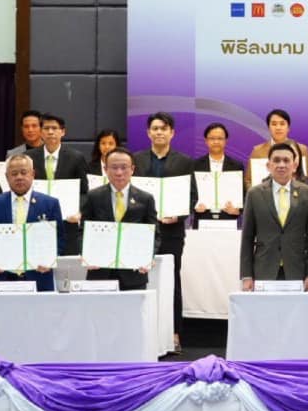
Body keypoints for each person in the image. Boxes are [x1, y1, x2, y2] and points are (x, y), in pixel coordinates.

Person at [133, 112, 194, 352]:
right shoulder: (137, 160)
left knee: (172, 280)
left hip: (172, 230)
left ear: (172, 133)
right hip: (142, 230)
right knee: (137, 277)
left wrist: (178, 215)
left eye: (164, 128)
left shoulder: (185, 162)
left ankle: (174, 334)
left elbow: (192, 196)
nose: (159, 132)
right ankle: (140, 331)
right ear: (148, 132)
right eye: (155, 128)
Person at [240, 141, 308, 290]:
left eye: (286, 160)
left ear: (294, 165)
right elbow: (247, 237)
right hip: (264, 269)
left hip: (297, 270)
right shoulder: (254, 194)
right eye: (276, 160)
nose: (281, 165)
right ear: (268, 166)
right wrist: (246, 276)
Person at [0, 154, 64, 292]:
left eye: (24, 172)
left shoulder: (50, 204)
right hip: (2, 275)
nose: (19, 177)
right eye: (14, 174)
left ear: (32, 174)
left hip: (39, 275)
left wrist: (51, 259)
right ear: (6, 177)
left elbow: (59, 237)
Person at [80, 148, 160, 291]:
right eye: (114, 167)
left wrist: (148, 257)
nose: (119, 172)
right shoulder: (93, 197)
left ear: (132, 169)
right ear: (105, 169)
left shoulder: (146, 199)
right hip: (100, 271)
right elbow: (82, 231)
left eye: (124, 167)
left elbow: (155, 234)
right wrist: (86, 254)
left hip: (134, 273)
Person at [27, 113, 88, 254]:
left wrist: (79, 211)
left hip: (67, 221)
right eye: (46, 128)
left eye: (54, 128)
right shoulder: (29, 157)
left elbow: (84, 192)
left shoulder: (76, 158)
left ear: (63, 132)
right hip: (36, 220)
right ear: (41, 132)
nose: (50, 132)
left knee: (66, 261)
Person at [192, 122, 244, 223]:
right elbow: (190, 193)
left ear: (225, 141)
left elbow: (244, 193)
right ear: (206, 141)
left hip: (228, 218)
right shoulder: (195, 165)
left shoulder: (236, 166)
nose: (216, 141)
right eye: (212, 138)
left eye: (220, 138)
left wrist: (238, 210)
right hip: (202, 217)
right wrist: (195, 206)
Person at [246, 108, 308, 185]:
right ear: (269, 127)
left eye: (282, 124)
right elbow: (248, 181)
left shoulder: (302, 150)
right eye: (274, 124)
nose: (278, 128)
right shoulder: (257, 151)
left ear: (288, 128)